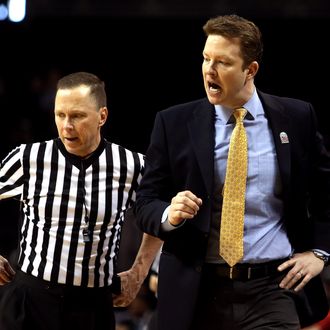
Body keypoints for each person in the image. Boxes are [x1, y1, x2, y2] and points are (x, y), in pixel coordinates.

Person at [133, 14, 330, 330]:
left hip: (272, 288)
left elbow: (324, 191)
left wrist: (320, 252)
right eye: (205, 58)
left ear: (250, 70)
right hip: (197, 292)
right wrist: (169, 214)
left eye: (222, 62)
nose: (209, 70)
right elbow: (145, 203)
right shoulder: (173, 123)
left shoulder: (296, 117)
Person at [0, 71, 162, 330]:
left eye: (77, 116)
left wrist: (138, 273)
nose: (66, 126)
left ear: (102, 116)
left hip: (93, 305)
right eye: (60, 114)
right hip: (31, 299)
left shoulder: (133, 165)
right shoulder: (28, 158)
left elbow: (160, 217)